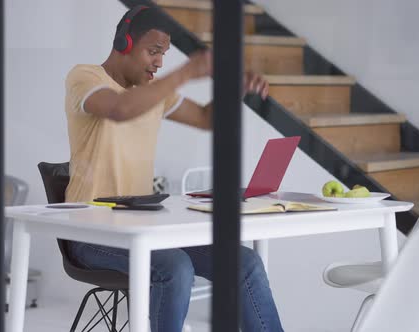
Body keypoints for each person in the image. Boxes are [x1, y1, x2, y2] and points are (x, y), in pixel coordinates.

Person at [64, 6, 282, 332]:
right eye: (153, 51)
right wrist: (185, 72)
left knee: (244, 263)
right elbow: (120, 109)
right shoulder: (85, 77)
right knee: (175, 266)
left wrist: (239, 89)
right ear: (124, 43)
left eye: (164, 54)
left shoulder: (150, 94)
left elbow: (209, 119)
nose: (160, 62)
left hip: (144, 230)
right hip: (90, 231)